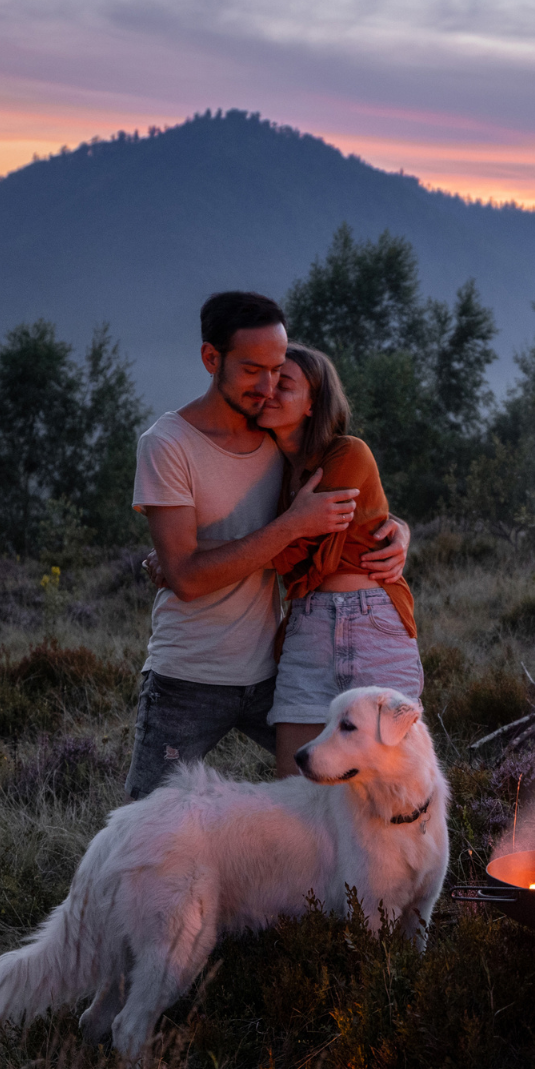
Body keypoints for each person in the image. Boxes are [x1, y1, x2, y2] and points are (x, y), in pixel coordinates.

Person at [125, 292, 408, 800]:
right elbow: (189, 577)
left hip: (274, 669)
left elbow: (339, 506)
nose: (269, 386)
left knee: (335, 796)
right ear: (212, 359)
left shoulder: (277, 443)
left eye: (278, 370)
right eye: (253, 370)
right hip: (190, 675)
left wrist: (394, 529)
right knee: (148, 814)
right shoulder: (167, 444)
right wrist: (294, 525)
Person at [254, 345, 425, 776]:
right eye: (266, 381)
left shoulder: (348, 452)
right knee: (296, 787)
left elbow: (313, 557)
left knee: (392, 784)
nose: (268, 391)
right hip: (308, 628)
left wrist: (256, 544)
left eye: (284, 384)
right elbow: (295, 551)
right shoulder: (270, 468)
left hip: (373, 623)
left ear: (313, 404)